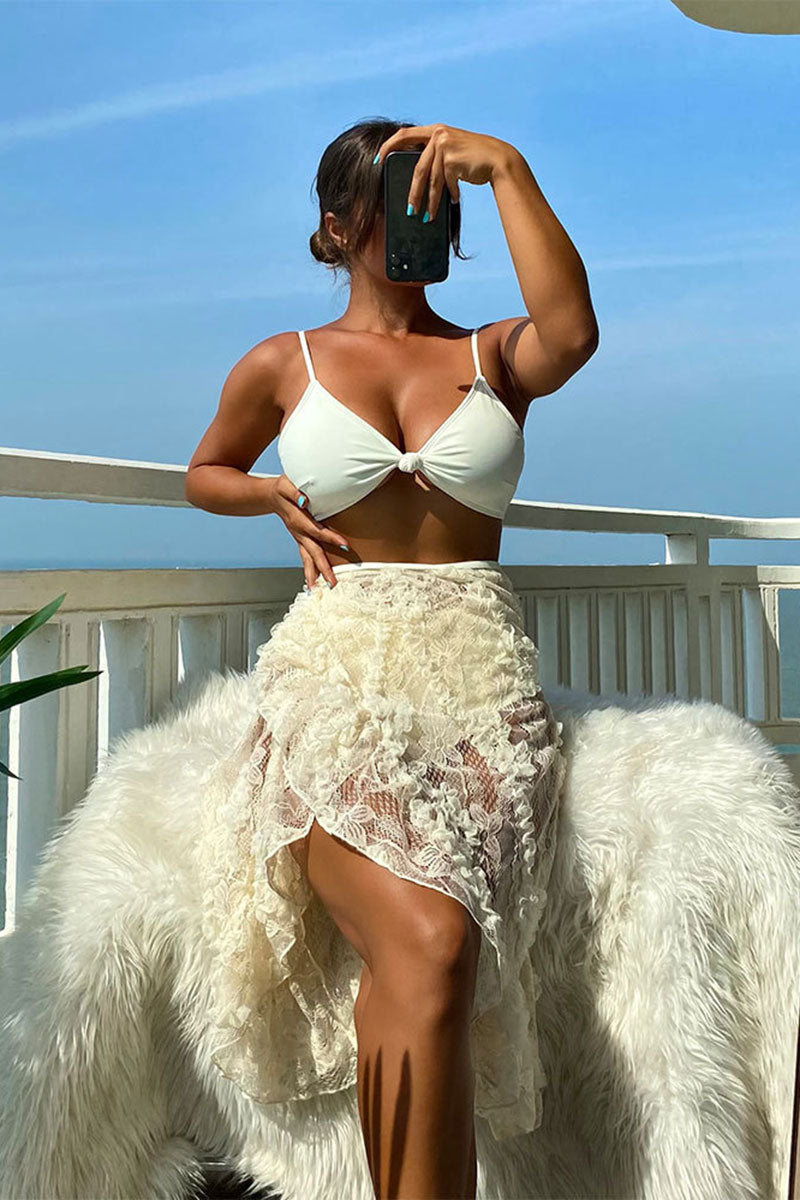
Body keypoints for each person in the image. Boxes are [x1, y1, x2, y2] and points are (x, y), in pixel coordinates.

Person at [185, 117, 598, 1200]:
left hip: (480, 681)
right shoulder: (284, 361)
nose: (419, 229)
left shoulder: (490, 355)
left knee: (431, 963)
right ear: (336, 228)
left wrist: (506, 168)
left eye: (435, 208)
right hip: (339, 672)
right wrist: (268, 493)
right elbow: (205, 471)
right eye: (393, 209)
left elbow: (572, 332)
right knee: (428, 939)